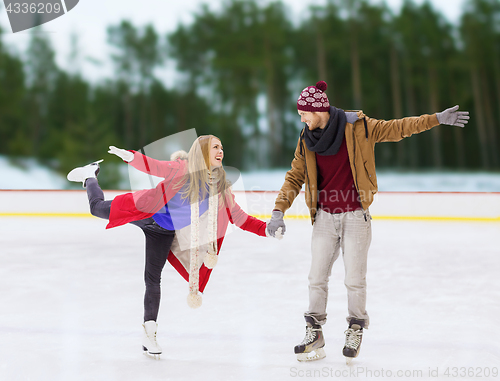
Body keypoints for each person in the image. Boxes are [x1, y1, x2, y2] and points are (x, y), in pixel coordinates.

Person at [266, 81, 469, 363]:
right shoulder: (306, 139)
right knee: (316, 277)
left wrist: (435, 119)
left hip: (355, 216)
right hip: (324, 216)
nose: (301, 118)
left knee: (354, 279)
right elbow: (294, 176)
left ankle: (355, 327)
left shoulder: (357, 126)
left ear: (319, 110)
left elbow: (398, 128)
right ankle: (315, 331)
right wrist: (278, 211)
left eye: (304, 113)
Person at [67, 135, 281, 359]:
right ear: (203, 151)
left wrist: (266, 229)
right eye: (216, 147)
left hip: (162, 231)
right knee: (97, 209)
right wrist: (131, 156)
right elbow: (155, 167)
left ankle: (149, 332)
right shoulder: (183, 168)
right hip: (145, 210)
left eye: (222, 147)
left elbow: (239, 217)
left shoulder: (220, 188)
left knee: (152, 278)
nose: (221, 151)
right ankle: (89, 175)